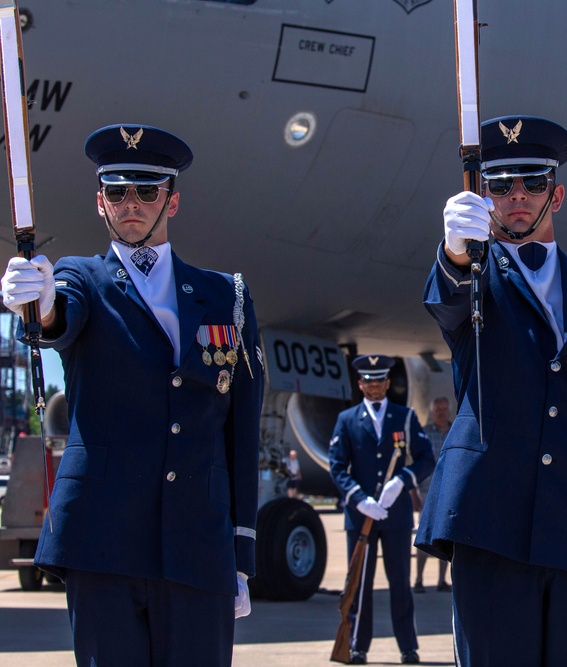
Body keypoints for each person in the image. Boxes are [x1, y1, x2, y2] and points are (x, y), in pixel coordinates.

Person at [0, 124, 264, 666]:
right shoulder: (82, 279)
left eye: (147, 191)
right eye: (117, 192)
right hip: (104, 541)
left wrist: (241, 552)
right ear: (100, 203)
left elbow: (241, 430)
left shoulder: (225, 296)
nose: (132, 204)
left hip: (197, 541)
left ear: (173, 199)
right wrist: (39, 301)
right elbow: (60, 317)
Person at [418, 115, 567, 666]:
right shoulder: (472, 277)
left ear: (558, 193)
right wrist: (454, 250)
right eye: (500, 186)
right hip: (491, 528)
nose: (516, 196)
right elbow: (446, 302)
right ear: (484, 197)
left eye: (532, 183)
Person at [328, 355, 435, 665]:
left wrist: (402, 480)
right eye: (368, 382)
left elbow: (426, 457)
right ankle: (357, 646)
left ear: (388, 383)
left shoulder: (405, 417)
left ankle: (408, 647)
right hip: (360, 516)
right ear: (360, 384)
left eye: (379, 382)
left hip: (395, 514)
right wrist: (358, 498)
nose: (374, 387)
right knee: (359, 584)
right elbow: (337, 466)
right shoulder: (346, 419)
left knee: (400, 582)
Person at [412, 396, 451, 594]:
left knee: (446, 537)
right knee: (425, 536)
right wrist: (413, 493)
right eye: (438, 410)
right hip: (428, 492)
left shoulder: (455, 432)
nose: (441, 413)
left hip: (451, 493)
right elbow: (412, 463)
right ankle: (418, 579)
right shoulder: (424, 434)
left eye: (444, 410)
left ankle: (442, 580)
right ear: (432, 412)